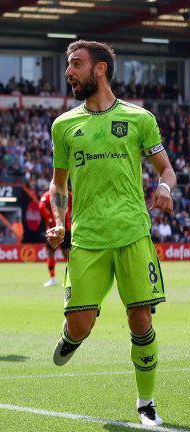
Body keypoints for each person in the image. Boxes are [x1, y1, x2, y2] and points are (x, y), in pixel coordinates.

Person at [47, 40, 175, 427]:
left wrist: (164, 188)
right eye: (68, 65)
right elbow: (57, 185)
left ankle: (146, 403)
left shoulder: (140, 119)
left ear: (99, 69)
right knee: (80, 325)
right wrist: (58, 220)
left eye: (75, 64)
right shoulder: (64, 125)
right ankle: (70, 337)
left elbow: (165, 169)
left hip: (133, 233)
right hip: (87, 239)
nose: (68, 72)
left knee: (141, 320)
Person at [39, 189, 72, 286]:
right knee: (67, 254)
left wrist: (47, 219)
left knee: (51, 252)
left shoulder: (49, 194)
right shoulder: (70, 194)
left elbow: (41, 206)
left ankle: (53, 279)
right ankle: (69, 280)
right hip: (67, 228)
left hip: (54, 228)